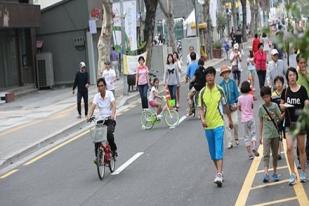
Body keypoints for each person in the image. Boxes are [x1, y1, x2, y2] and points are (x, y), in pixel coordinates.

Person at [198, 66, 233, 187]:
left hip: (219, 124)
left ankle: (218, 174)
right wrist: (202, 119)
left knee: (218, 150)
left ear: (214, 77)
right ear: (206, 78)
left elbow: (226, 105)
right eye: (208, 75)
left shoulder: (220, 89)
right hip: (208, 126)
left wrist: (230, 120)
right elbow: (200, 108)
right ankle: (220, 172)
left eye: (212, 75)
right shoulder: (202, 92)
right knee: (212, 153)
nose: (210, 77)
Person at [280, 67, 309, 185]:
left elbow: (306, 102)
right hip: (289, 123)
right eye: (289, 75)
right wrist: (283, 106)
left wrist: (306, 105)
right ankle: (292, 173)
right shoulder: (285, 91)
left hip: (300, 123)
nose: (292, 77)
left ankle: (302, 172)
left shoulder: (302, 90)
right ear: (287, 78)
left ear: (296, 76)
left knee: (301, 149)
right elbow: (281, 105)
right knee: (289, 148)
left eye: (293, 75)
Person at [87, 78, 118, 158]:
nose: (100, 88)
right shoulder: (96, 96)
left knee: (109, 135)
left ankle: (114, 150)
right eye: (98, 86)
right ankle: (98, 157)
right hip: (101, 120)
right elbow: (92, 107)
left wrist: (112, 115)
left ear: (105, 86)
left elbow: (114, 105)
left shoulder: (110, 94)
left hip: (110, 119)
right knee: (97, 138)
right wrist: (88, 116)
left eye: (102, 86)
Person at [258, 86, 281, 183]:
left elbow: (280, 117)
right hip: (266, 135)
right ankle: (266, 174)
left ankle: (275, 172)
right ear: (262, 98)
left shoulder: (275, 106)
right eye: (264, 97)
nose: (266, 99)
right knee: (266, 154)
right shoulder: (261, 108)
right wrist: (260, 136)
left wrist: (284, 111)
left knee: (275, 155)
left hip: (275, 134)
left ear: (270, 96)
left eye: (268, 96)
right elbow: (261, 122)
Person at [219, 65, 240, 149]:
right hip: (224, 107)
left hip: (233, 105)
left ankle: (236, 137)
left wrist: (236, 104)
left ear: (228, 73)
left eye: (226, 72)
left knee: (235, 123)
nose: (225, 74)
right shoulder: (220, 85)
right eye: (223, 73)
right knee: (227, 125)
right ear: (222, 75)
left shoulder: (233, 82)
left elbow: (237, 95)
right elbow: (220, 97)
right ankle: (229, 142)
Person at [238, 81, 259, 160]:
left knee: (246, 137)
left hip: (244, 119)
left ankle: (250, 154)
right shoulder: (250, 96)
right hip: (251, 118)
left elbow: (239, 108)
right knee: (253, 134)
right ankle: (254, 146)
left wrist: (242, 109)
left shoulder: (239, 98)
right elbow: (252, 106)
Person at [296, 54, 309, 165]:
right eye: (301, 63)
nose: (303, 65)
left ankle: (307, 156)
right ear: (298, 64)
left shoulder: (308, 74)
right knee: (300, 134)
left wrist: (306, 76)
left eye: (305, 63)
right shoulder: (295, 76)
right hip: (299, 109)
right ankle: (300, 158)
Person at [271, 76, 285, 160]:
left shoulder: (285, 93)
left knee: (287, 135)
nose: (279, 84)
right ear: (275, 84)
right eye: (277, 83)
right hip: (278, 119)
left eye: (280, 83)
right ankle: (279, 152)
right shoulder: (273, 95)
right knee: (278, 135)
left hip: (286, 117)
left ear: (283, 84)